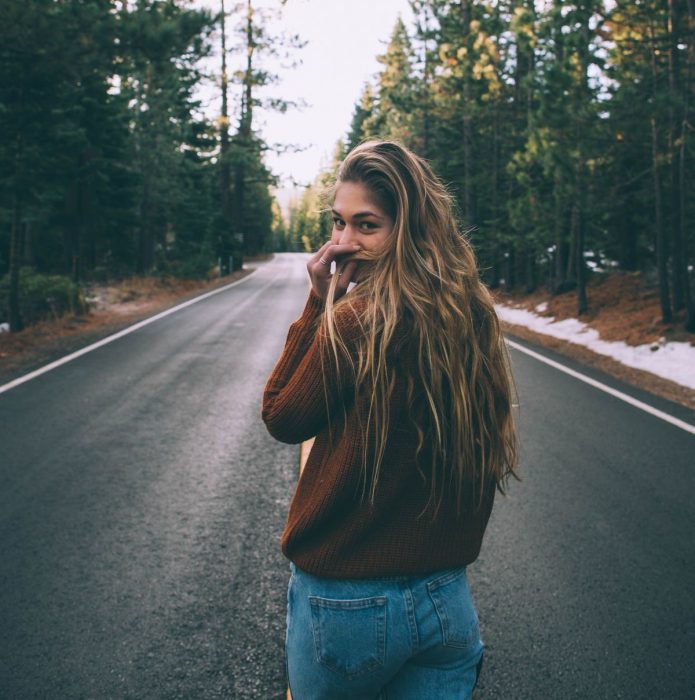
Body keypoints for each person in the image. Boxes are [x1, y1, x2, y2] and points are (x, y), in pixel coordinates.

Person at [262, 140, 519, 700]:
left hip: (348, 606)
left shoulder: (359, 319)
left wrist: (318, 306)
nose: (343, 242)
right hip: (446, 603)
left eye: (367, 225)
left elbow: (282, 415)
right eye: (338, 223)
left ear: (409, 229)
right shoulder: (468, 314)